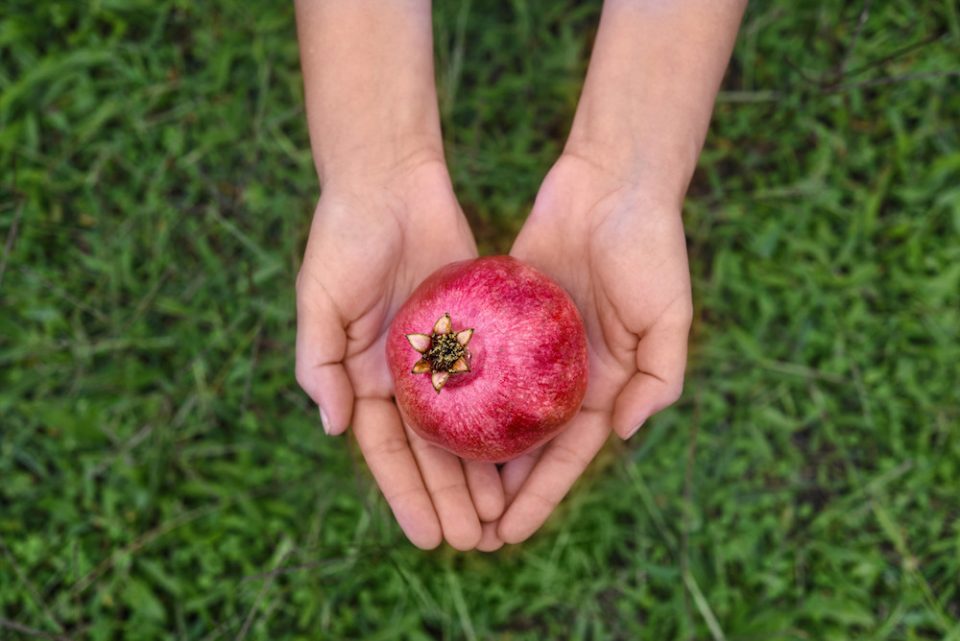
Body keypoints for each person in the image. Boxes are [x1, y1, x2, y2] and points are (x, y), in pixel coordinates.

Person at [294, 0, 746, 551]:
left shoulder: (429, 352)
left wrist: (634, 172)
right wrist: (370, 170)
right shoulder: (430, 358)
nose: (443, 353)